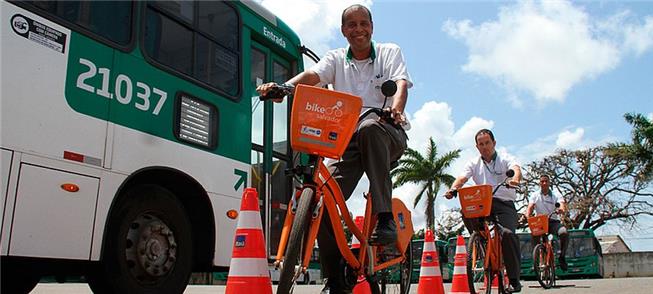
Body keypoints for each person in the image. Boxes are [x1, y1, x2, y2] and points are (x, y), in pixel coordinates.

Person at [257, 4, 412, 293]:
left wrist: (395, 110)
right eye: (351, 25)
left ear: (372, 26)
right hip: (347, 142)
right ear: (344, 31)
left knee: (369, 129)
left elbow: (400, 84)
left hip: (387, 132)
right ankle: (337, 278)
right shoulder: (336, 59)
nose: (358, 29)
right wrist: (284, 87)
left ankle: (386, 217)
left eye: (363, 23)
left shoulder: (390, 52)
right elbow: (313, 77)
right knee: (323, 196)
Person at [445, 129, 523, 293]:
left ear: (494, 143)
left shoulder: (505, 158)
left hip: (504, 204)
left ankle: (515, 279)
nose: (485, 146)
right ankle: (480, 243)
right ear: (477, 146)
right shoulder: (473, 163)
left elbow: (515, 169)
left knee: (508, 234)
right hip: (483, 203)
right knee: (466, 210)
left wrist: (514, 179)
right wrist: (453, 188)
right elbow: (462, 178)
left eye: (487, 143)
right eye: (481, 144)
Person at [524, 174, 569, 271]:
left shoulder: (556, 195)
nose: (544, 183)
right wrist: (527, 215)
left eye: (546, 181)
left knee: (563, 232)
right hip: (540, 221)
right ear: (539, 183)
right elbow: (530, 207)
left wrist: (561, 209)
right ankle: (535, 261)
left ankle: (562, 256)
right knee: (533, 234)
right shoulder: (535, 195)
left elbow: (562, 205)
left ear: (549, 183)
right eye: (542, 181)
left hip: (553, 222)